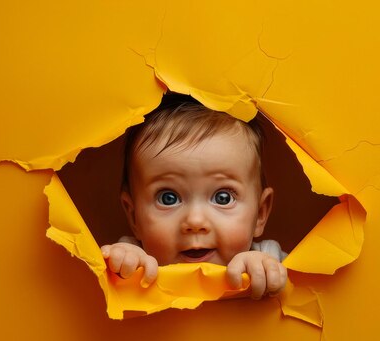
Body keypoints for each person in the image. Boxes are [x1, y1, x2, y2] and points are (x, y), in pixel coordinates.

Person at [101, 95, 287, 299]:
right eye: (168, 198)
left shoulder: (270, 260)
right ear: (134, 215)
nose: (195, 221)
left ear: (260, 213)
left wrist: (267, 275)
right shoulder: (134, 260)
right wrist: (123, 272)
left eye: (223, 197)